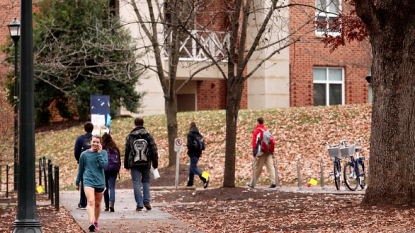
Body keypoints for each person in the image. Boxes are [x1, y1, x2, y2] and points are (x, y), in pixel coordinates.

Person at [124, 117, 159, 211]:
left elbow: (127, 151)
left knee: (136, 183)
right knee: (146, 181)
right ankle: (146, 201)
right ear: (143, 124)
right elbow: (153, 150)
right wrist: (155, 163)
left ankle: (139, 204)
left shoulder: (130, 136)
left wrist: (126, 164)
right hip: (146, 162)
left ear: (134, 124)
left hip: (134, 163)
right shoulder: (148, 135)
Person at [75, 135, 108, 232]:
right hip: (88, 181)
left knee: (97, 204)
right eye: (94, 141)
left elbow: (103, 165)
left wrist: (99, 154)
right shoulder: (84, 155)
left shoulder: (103, 153)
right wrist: (77, 182)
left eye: (97, 142)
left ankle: (96, 221)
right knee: (90, 202)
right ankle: (91, 223)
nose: (95, 144)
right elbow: (80, 169)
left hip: (100, 182)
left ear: (100, 143)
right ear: (91, 142)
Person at [251, 117, 276, 188]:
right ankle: (274, 182)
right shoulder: (266, 130)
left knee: (257, 167)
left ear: (258, 122)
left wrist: (255, 154)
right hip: (268, 151)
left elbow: (255, 143)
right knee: (271, 167)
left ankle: (252, 183)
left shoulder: (256, 131)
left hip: (260, 152)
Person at [74, 122, 94, 209]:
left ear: (84, 129)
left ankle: (83, 203)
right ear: (92, 129)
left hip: (84, 163)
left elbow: (76, 151)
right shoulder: (95, 139)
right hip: (93, 164)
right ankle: (92, 201)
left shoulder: (80, 139)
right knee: (93, 182)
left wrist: (79, 160)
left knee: (84, 182)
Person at [102, 133, 121, 212]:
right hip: (113, 169)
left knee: (105, 187)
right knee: (112, 186)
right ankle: (111, 203)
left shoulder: (102, 149)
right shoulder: (115, 148)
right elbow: (119, 160)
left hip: (104, 170)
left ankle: (106, 205)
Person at [186, 122, 209, 188]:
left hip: (193, 153)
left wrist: (188, 149)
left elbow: (190, 145)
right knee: (191, 168)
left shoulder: (190, 134)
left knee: (193, 167)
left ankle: (205, 177)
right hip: (198, 153)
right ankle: (190, 182)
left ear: (191, 126)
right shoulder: (198, 134)